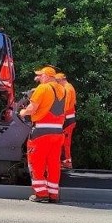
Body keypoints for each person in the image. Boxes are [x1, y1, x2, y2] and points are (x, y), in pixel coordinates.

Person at [19, 66, 66, 203]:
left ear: (47, 76)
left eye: (40, 75)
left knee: (36, 163)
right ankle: (53, 194)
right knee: (53, 164)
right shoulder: (62, 90)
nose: (38, 78)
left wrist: (22, 112)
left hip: (41, 133)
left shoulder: (43, 88)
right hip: (57, 133)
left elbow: (32, 109)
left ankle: (41, 194)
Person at [55, 73, 77, 169]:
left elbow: (65, 105)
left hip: (67, 119)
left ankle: (66, 162)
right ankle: (65, 162)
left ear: (60, 80)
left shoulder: (67, 89)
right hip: (69, 118)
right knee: (65, 141)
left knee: (64, 142)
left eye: (57, 82)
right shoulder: (70, 87)